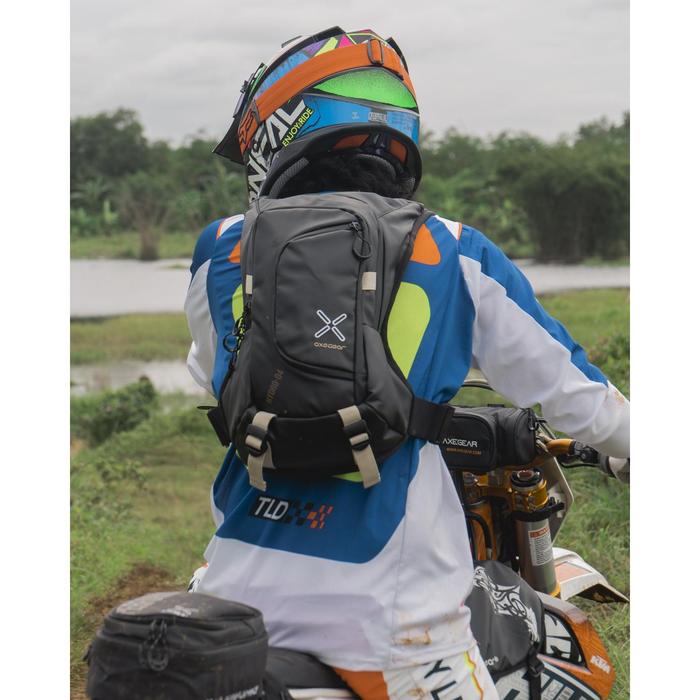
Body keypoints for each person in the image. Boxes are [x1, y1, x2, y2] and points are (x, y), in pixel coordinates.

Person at [185, 27, 630, 700]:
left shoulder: (220, 248)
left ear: (275, 128)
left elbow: (209, 372)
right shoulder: (454, 249)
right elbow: (580, 397)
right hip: (394, 619)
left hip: (234, 595)